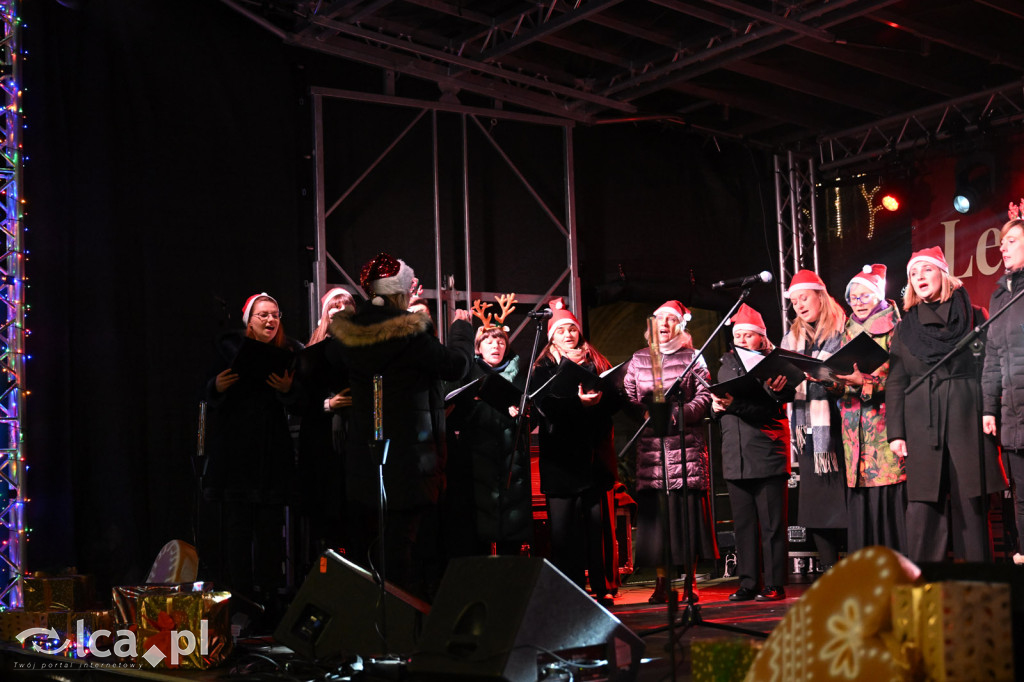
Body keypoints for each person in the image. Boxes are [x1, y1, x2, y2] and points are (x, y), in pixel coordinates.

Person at [330, 253, 473, 598]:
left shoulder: (349, 333)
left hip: (367, 458)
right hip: (409, 460)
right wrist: (461, 331)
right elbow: (456, 365)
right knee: (403, 551)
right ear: (398, 292)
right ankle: (402, 621)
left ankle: (375, 618)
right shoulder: (410, 332)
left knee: (375, 549)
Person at [887, 246, 1006, 562]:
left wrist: (990, 409)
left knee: (972, 509)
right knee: (923, 512)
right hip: (922, 422)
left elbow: (991, 367)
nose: (919, 277)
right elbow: (896, 382)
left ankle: (979, 584)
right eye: (914, 273)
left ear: (943, 274)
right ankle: (925, 584)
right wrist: (896, 433)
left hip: (967, 417)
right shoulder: (905, 328)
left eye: (926, 269)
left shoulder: (974, 315)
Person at [202, 292, 300, 616]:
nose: (270, 320)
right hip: (237, 454)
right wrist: (217, 386)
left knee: (271, 533)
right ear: (249, 321)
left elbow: (301, 401)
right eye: (263, 315)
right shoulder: (228, 351)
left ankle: (270, 603)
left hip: (271, 453)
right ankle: (242, 602)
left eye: (275, 314)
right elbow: (205, 392)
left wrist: (288, 391)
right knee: (239, 533)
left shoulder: (290, 353)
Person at [622, 300, 716, 604]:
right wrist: (644, 413)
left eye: (670, 319)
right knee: (659, 523)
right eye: (659, 318)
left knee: (685, 519)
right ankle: (662, 582)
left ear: (680, 325)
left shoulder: (693, 357)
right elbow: (629, 396)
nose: (663, 324)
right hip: (652, 452)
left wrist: (677, 415)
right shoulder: (639, 358)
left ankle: (690, 581)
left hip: (684, 450)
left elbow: (705, 395)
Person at [532, 303, 621, 606]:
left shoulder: (597, 362)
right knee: (563, 533)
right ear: (551, 337)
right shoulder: (543, 369)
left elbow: (615, 402)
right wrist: (577, 404)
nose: (568, 334)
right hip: (561, 462)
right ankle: (570, 589)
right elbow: (545, 407)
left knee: (599, 529)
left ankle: (604, 586)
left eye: (572, 329)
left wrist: (600, 399)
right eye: (561, 330)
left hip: (595, 459)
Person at [712, 303, 793, 602]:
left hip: (766, 453)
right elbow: (723, 406)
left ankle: (774, 583)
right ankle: (748, 582)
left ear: (761, 337)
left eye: (748, 335)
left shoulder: (774, 365)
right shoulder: (725, 365)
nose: (742, 339)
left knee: (772, 525)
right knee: (743, 525)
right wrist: (716, 407)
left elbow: (771, 410)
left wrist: (734, 405)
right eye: (738, 335)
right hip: (735, 456)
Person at [444, 296, 532, 557]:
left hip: (511, 462)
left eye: (501, 341)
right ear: (478, 347)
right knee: (477, 533)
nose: (496, 346)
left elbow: (533, 417)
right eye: (489, 341)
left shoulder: (521, 376)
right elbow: (452, 415)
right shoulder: (466, 376)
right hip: (475, 460)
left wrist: (522, 414)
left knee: (511, 535)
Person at [834, 265, 907, 554]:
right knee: (861, 511)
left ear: (879, 295)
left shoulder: (897, 330)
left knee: (888, 509)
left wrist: (866, 382)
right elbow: (843, 381)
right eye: (853, 297)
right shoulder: (846, 332)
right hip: (853, 435)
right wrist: (827, 379)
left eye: (865, 295)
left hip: (884, 433)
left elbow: (904, 379)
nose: (859, 302)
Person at [781, 269, 848, 573]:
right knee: (818, 505)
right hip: (809, 432)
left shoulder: (842, 330)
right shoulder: (791, 338)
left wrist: (825, 378)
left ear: (820, 296)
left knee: (843, 502)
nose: (799, 305)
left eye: (804, 298)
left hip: (840, 428)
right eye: (794, 302)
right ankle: (829, 567)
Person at [293, 287, 355, 572]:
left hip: (353, 443)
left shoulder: (361, 352)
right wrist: (328, 404)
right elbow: (298, 400)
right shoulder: (310, 354)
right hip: (322, 444)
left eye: (346, 306)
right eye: (334, 306)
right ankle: (324, 572)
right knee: (325, 516)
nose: (339, 311)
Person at [983, 218, 1024, 564]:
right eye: (1002, 241)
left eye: (1012, 240)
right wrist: (988, 408)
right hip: (1013, 413)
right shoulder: (1000, 297)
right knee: (1021, 496)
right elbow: (993, 356)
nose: (1003, 247)